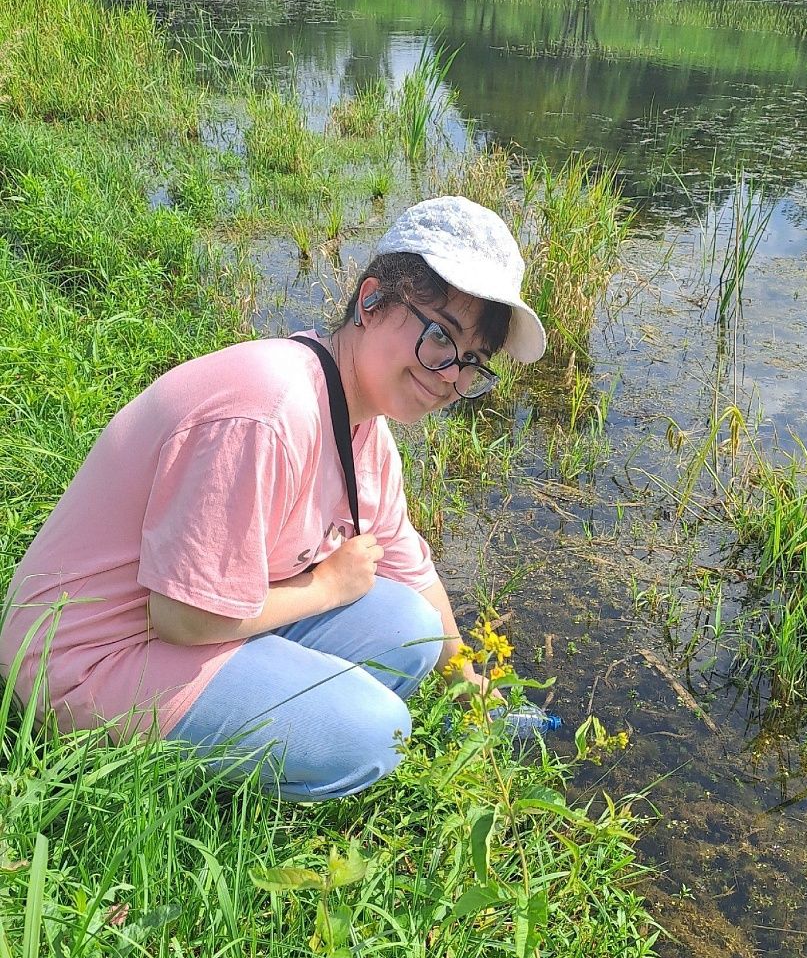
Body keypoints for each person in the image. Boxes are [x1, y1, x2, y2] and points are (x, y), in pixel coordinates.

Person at [0, 196, 546, 799]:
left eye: (473, 361)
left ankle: (250, 720)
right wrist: (327, 587)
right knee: (375, 733)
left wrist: (472, 690)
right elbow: (180, 616)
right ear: (371, 301)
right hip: (81, 662)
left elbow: (412, 575)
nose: (450, 376)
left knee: (410, 628)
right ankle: (178, 793)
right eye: (441, 336)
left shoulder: (368, 431)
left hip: (175, 632)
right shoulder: (269, 410)